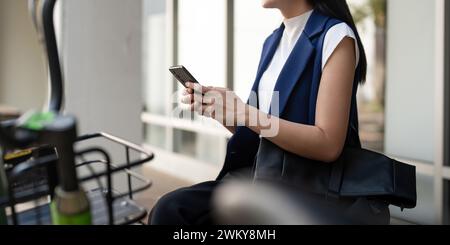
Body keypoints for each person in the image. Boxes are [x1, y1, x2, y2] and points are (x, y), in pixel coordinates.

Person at [150, 0, 390, 225]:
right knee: (171, 209)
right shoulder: (273, 40)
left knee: (173, 211)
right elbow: (266, 129)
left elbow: (328, 144)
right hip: (261, 174)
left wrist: (245, 113)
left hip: (307, 185)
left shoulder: (336, 36)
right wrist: (224, 113)